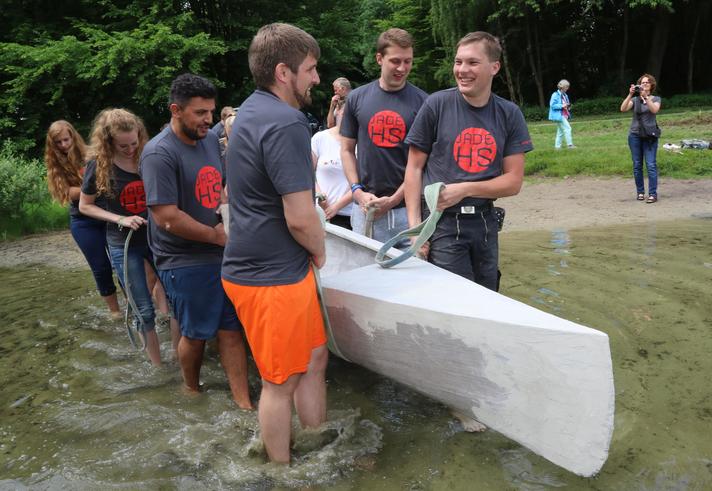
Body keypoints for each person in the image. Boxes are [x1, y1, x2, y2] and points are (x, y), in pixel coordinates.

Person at [221, 23, 327, 463]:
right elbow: (301, 218)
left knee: (315, 357)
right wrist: (320, 251)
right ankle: (284, 473)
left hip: (270, 269)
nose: (317, 78)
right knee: (279, 382)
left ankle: (317, 443)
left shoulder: (250, 109)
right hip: (271, 279)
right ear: (284, 72)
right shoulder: (286, 122)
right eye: (311, 69)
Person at [140, 73, 252, 408]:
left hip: (219, 247)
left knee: (232, 329)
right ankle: (191, 389)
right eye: (200, 113)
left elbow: (216, 189)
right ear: (176, 110)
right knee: (196, 332)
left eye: (210, 112)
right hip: (182, 257)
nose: (208, 120)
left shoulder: (207, 142)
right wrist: (216, 237)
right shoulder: (158, 153)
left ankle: (244, 403)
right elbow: (166, 217)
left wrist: (230, 221)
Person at [404, 31, 533, 292]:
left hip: (486, 223)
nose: (462, 70)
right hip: (440, 223)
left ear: (494, 67)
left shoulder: (509, 114)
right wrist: (415, 229)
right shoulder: (436, 105)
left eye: (472, 62)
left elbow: (513, 182)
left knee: (488, 296)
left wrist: (465, 189)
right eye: (458, 62)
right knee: (454, 298)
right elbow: (414, 168)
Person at [78, 108, 163, 365]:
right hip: (123, 245)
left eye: (134, 143)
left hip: (157, 239)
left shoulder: (149, 156)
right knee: (143, 310)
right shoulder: (99, 166)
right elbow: (85, 205)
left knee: (175, 300)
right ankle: (158, 367)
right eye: (122, 145)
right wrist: (120, 219)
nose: (129, 149)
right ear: (108, 142)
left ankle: (183, 362)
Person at [340, 28, 427, 245]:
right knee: (365, 276)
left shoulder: (425, 102)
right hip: (366, 209)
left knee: (414, 276)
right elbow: (347, 150)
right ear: (379, 58)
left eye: (408, 61)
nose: (402, 68)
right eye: (395, 61)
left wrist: (396, 198)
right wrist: (356, 191)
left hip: (409, 211)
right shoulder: (357, 98)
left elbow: (425, 163)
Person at [44, 121, 120, 316]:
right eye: (58, 142)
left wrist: (93, 185)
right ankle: (115, 312)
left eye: (66, 139)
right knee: (101, 267)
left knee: (120, 263)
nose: (63, 145)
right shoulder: (54, 164)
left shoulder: (90, 154)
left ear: (73, 136)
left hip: (106, 214)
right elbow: (66, 193)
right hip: (83, 222)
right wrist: (93, 186)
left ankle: (134, 304)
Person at [620, 73, 661, 203]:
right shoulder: (635, 100)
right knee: (637, 165)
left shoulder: (656, 98)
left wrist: (646, 97)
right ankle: (640, 192)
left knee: (651, 165)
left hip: (650, 136)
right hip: (635, 135)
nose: (644, 85)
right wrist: (630, 94)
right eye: (642, 83)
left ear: (651, 85)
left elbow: (654, 110)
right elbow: (623, 108)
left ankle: (653, 194)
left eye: (647, 83)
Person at [312, 99, 353, 229]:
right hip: (318, 211)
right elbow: (307, 172)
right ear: (337, 111)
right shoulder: (320, 138)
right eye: (346, 112)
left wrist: (335, 207)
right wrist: (320, 196)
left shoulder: (362, 142)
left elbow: (361, 182)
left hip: (348, 216)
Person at [548, 79, 574, 149]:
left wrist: (568, 107)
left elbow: (566, 104)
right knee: (568, 128)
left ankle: (557, 147)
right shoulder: (555, 95)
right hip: (558, 116)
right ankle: (570, 145)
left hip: (564, 115)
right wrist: (562, 105)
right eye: (566, 87)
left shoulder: (565, 95)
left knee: (560, 132)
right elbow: (552, 105)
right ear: (562, 87)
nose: (567, 89)